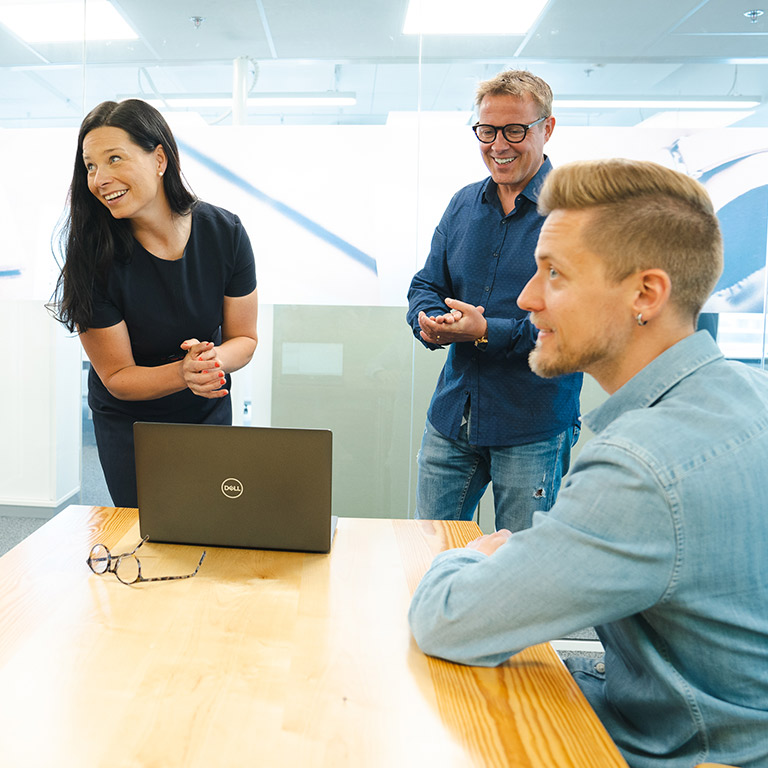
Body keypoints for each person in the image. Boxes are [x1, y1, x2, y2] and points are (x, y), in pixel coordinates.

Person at [409, 158, 768, 768]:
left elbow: (448, 619)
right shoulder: (746, 393)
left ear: (645, 294)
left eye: (555, 275)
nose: (526, 298)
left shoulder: (639, 469)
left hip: (683, 745)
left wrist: (474, 554)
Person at [51, 99, 258, 508]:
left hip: (206, 406)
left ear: (159, 158)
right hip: (131, 421)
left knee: (214, 522)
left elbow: (245, 339)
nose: (100, 179)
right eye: (91, 166)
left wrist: (208, 363)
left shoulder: (225, 232)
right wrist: (186, 371)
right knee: (150, 535)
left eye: (115, 159)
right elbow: (117, 376)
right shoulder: (93, 257)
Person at [406, 70, 582, 533]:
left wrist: (484, 332)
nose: (498, 144)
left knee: (522, 569)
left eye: (515, 130)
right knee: (429, 553)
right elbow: (426, 282)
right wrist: (428, 320)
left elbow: (571, 324)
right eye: (487, 130)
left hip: (532, 423)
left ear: (548, 128)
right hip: (453, 415)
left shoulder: (575, 213)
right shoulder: (463, 204)